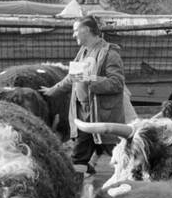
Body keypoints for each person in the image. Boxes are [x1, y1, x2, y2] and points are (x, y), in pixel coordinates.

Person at [57, 15, 135, 175]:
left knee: (120, 153)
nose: (73, 35)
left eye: (75, 30)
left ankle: (132, 184)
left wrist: (90, 79)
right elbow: (73, 78)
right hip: (86, 115)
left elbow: (117, 83)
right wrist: (51, 90)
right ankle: (79, 191)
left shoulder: (110, 53)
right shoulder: (83, 52)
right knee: (78, 157)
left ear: (86, 30)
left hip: (105, 116)